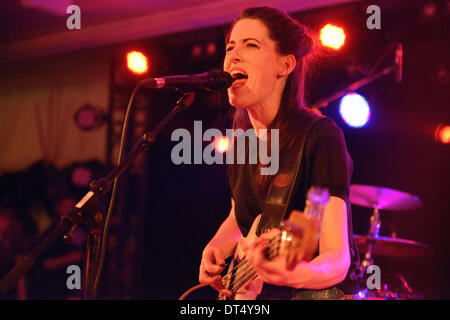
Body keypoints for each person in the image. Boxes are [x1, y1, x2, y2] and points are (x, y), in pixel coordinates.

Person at [198, 7, 359, 299]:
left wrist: (297, 275)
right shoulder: (242, 144)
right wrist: (217, 244)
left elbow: (337, 258)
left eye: (251, 45)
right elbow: (241, 214)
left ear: (285, 66)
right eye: (230, 47)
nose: (233, 55)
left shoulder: (319, 136)